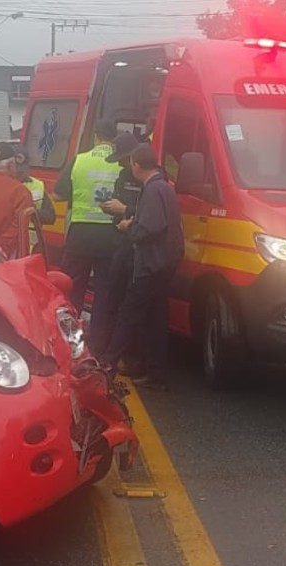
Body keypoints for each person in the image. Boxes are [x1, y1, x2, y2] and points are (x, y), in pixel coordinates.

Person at [99, 144, 184, 390]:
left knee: (128, 314)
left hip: (149, 265)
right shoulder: (164, 186)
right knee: (156, 320)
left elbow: (151, 227)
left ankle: (106, 365)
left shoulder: (153, 189)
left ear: (136, 165)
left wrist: (129, 228)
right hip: (164, 263)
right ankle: (156, 374)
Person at [53, 119, 120, 315]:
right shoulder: (122, 162)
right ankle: (99, 338)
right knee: (105, 290)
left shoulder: (79, 160)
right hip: (110, 234)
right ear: (114, 138)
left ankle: (70, 331)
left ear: (96, 136)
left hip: (80, 234)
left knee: (71, 286)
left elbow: (57, 195)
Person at [89, 131, 142, 357]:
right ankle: (102, 349)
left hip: (138, 247)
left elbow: (154, 214)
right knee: (111, 298)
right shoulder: (123, 175)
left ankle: (125, 355)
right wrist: (111, 208)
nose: (119, 162)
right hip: (119, 242)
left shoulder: (151, 180)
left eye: (122, 158)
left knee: (130, 306)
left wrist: (126, 212)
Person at [17, 149, 56, 226]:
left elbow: (50, 217)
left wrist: (32, 213)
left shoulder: (37, 185)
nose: (19, 172)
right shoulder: (2, 184)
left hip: (30, 236)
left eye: (22, 169)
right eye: (17, 169)